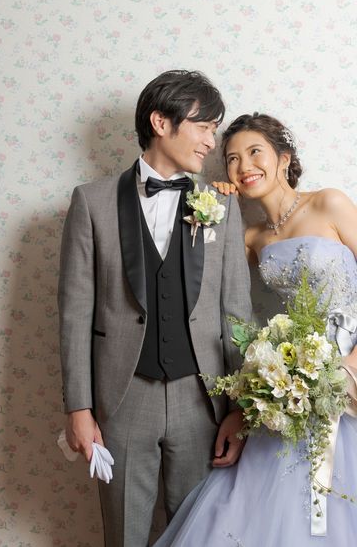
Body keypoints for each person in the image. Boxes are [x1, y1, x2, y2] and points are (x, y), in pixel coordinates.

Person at [57, 71, 252, 547]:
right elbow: (75, 315)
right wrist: (79, 408)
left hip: (202, 401)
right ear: (161, 123)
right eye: (204, 127)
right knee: (124, 535)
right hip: (123, 400)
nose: (211, 142)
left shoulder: (222, 205)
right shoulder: (92, 202)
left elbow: (236, 315)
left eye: (214, 130)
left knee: (199, 535)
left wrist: (240, 410)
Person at [154, 113, 357, 546]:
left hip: (350, 364)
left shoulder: (330, 204)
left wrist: (351, 364)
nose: (243, 166)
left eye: (254, 152)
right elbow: (191, 276)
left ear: (283, 158)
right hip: (296, 374)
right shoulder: (250, 238)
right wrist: (216, 205)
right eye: (231, 159)